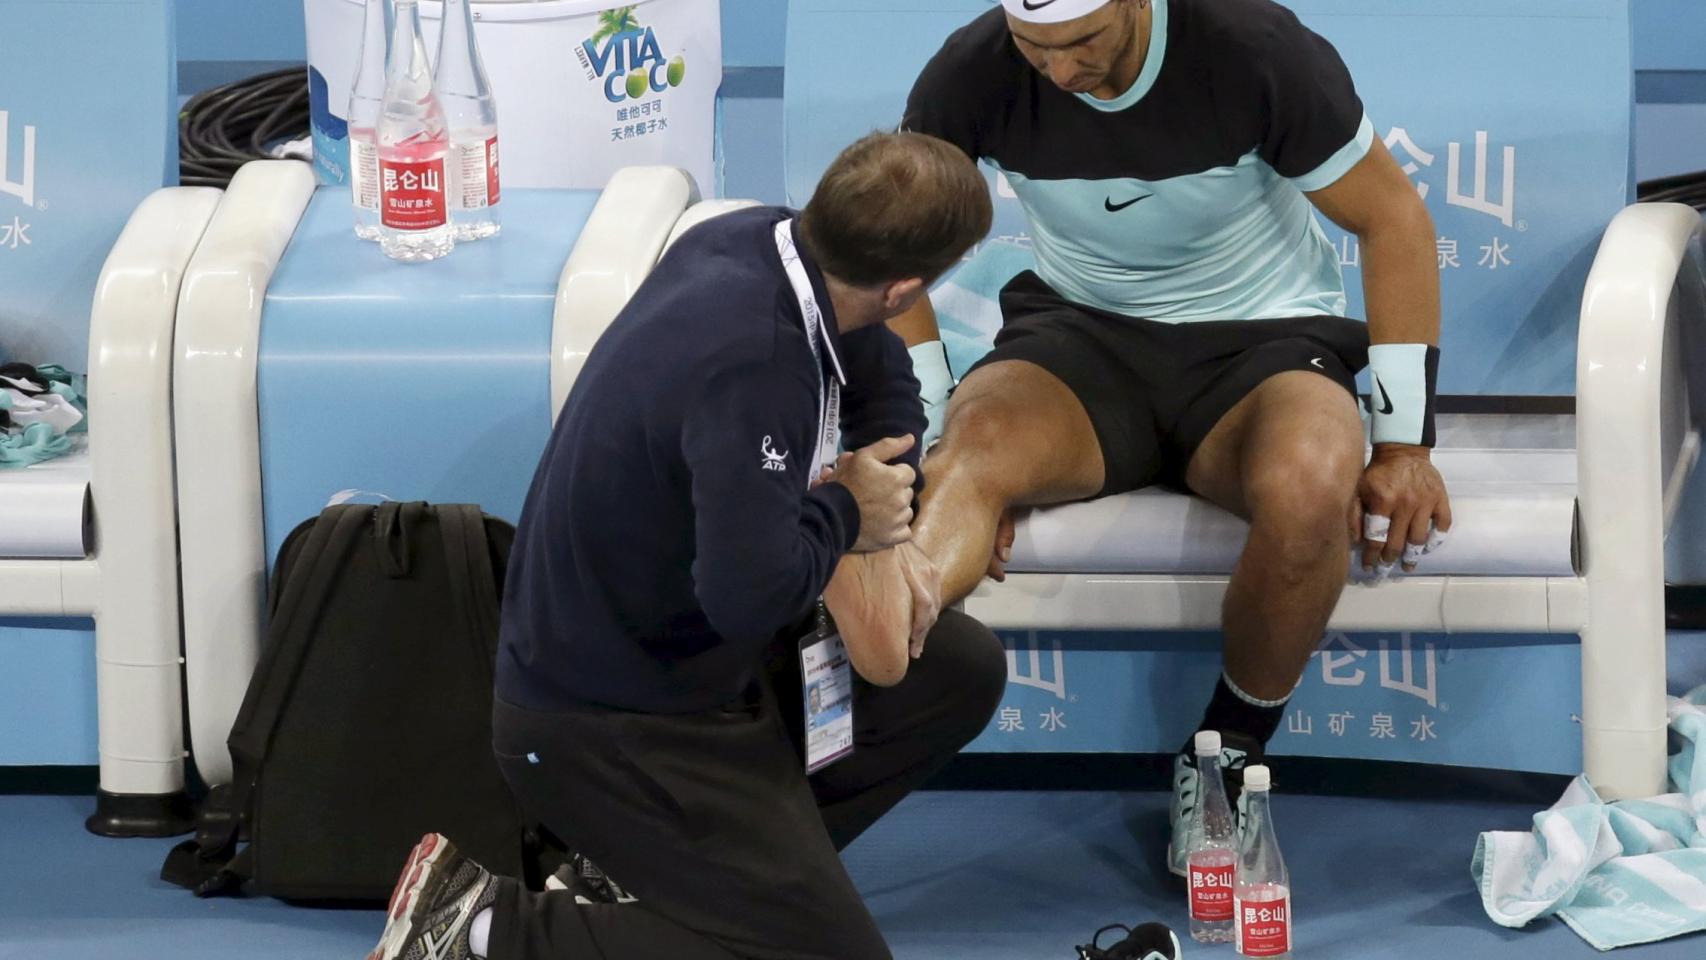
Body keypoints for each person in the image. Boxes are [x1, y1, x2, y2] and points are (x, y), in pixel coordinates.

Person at [362, 131, 1003, 960]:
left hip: (689, 667)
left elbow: (881, 373)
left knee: (957, 672)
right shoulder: (753, 364)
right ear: (906, 287)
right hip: (611, 719)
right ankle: (479, 923)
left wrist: (888, 481)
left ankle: (648, 877)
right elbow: (750, 595)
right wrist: (849, 508)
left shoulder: (759, 241)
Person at [884, 0, 1454, 875]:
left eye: (1083, 43)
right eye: (1038, 52)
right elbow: (896, 258)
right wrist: (929, 435)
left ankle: (1224, 757)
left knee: (1311, 485)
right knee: (967, 461)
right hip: (1079, 342)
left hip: (1263, 341)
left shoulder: (1253, 49)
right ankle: (851, 696)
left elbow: (1394, 219)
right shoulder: (975, 68)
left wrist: (1405, 445)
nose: (1062, 73)